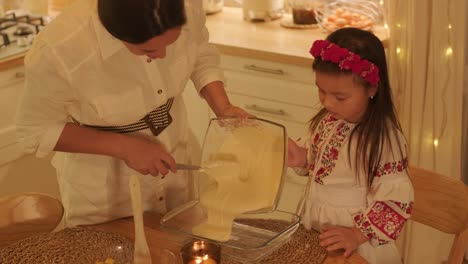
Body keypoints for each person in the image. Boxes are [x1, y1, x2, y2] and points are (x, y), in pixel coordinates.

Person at [15, 0, 249, 227]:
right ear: (115, 32)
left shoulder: (186, 5)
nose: (163, 56)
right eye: (148, 49)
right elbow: (35, 131)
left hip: (176, 169)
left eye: (173, 42)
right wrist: (126, 147)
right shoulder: (62, 49)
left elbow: (199, 50)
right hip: (105, 195)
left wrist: (223, 107)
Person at [287, 28, 414, 264]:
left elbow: (395, 202)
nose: (326, 102)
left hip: (358, 248)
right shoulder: (330, 120)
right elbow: (328, 166)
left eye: (340, 96)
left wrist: (356, 234)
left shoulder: (384, 140)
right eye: (321, 90)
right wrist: (303, 158)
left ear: (372, 89)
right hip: (320, 235)